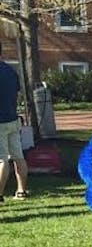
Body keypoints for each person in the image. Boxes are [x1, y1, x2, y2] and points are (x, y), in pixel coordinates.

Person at [0, 41, 28, 202]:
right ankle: (21, 191)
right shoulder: (11, 71)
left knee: (2, 159)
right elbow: (17, 95)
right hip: (12, 118)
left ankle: (0, 194)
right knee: (18, 156)